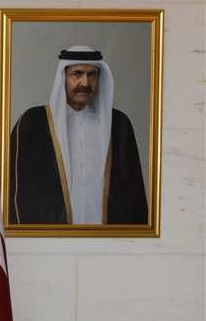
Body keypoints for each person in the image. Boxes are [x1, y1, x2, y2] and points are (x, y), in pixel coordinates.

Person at [9, 45, 148, 224]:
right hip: (51, 236)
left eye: (92, 75)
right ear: (63, 78)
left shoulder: (119, 125)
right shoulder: (34, 123)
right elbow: (15, 190)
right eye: (77, 74)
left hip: (107, 236)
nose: (85, 83)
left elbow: (133, 193)